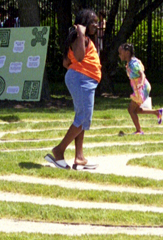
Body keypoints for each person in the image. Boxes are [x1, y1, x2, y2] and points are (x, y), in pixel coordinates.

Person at [44, 9, 101, 170]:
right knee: (83, 118)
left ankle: (79, 157)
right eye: (93, 22)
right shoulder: (79, 38)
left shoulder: (76, 38)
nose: (96, 25)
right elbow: (80, 57)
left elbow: (65, 63)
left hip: (82, 80)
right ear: (84, 23)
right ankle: (59, 150)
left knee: (81, 118)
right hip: (82, 80)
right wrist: (81, 34)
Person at [118, 43, 163, 135]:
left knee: (131, 110)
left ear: (127, 53)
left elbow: (142, 74)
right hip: (140, 88)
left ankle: (139, 131)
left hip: (141, 89)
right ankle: (157, 112)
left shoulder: (133, 64)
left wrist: (141, 83)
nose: (119, 55)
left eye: (120, 52)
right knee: (135, 110)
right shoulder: (130, 63)